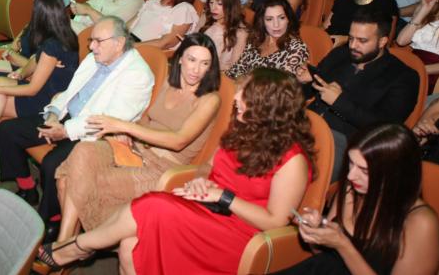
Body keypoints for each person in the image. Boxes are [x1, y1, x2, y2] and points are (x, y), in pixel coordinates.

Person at [38, 68, 314, 275]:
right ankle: (75, 247)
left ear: (270, 108)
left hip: (239, 233)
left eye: (247, 95)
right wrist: (200, 181)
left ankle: (76, 248)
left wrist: (224, 196)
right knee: (130, 247)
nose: (237, 98)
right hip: (206, 208)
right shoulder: (242, 128)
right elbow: (209, 166)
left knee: (153, 205)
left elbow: (275, 222)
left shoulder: (293, 161)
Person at [53, 34, 221, 242]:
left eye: (205, 63)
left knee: (72, 180)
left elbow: (179, 140)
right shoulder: (170, 82)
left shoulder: (210, 100)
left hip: (162, 168)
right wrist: (126, 133)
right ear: (180, 59)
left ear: (211, 68)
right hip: (136, 151)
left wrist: (124, 126)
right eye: (192, 60)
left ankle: (64, 245)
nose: (196, 69)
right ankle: (68, 244)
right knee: (82, 151)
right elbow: (146, 119)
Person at [0, 16, 154, 227]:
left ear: (119, 43)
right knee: (8, 130)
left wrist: (64, 131)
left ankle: (52, 219)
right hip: (67, 118)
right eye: (91, 40)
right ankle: (27, 188)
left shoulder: (137, 74)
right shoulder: (95, 58)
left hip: (95, 135)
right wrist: (53, 113)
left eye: (98, 41)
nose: (91, 46)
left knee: (53, 165)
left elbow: (110, 120)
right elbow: (70, 93)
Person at [280, 124, 439, 275]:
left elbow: (340, 251)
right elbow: (326, 259)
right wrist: (315, 236)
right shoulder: (351, 189)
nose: (351, 175)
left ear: (395, 174)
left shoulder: (421, 223)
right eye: (351, 163)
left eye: (364, 171)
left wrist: (343, 245)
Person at [298, 8, 418, 179]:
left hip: (348, 143)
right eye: (351, 38)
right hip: (306, 125)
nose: (353, 45)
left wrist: (339, 102)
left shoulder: (402, 77)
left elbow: (386, 129)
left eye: (362, 40)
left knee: (292, 170)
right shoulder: (341, 54)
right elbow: (310, 92)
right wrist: (304, 82)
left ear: (382, 41)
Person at [0, 0, 79, 156]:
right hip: (46, 92)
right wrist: (21, 73)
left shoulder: (52, 45)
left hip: (45, 102)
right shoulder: (63, 34)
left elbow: (33, 89)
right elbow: (35, 60)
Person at [227, 0, 310, 78]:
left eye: (281, 18)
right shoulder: (256, 40)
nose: (276, 25)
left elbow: (283, 83)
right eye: (269, 19)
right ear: (262, 22)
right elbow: (235, 71)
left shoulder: (297, 48)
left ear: (288, 19)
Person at [202, 0, 249, 71]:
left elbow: (232, 67)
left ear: (231, 4)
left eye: (219, 3)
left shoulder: (240, 32)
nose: (213, 8)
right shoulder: (207, 16)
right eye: (211, 2)